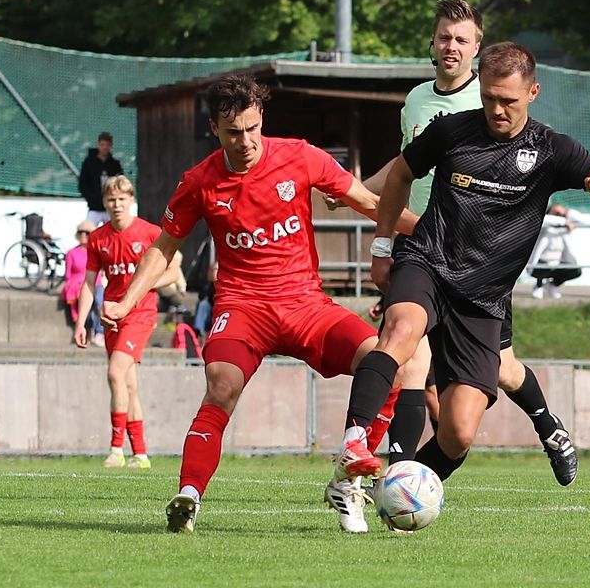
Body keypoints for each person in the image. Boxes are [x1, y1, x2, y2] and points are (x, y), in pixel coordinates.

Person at [330, 42, 590, 527]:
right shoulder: (452, 131)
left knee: (458, 434)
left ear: (533, 92)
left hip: (483, 299)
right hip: (428, 261)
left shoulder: (553, 150)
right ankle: (352, 446)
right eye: (490, 97)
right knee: (401, 332)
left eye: (508, 101)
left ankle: (399, 497)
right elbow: (402, 174)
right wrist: (383, 247)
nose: (496, 109)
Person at [101, 74, 418, 534]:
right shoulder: (199, 182)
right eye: (234, 132)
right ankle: (188, 496)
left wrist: (429, 232)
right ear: (215, 129)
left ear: (261, 118)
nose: (246, 140)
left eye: (252, 128)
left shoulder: (299, 156)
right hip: (243, 307)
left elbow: (369, 202)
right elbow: (163, 247)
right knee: (221, 385)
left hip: (305, 304)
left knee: (387, 362)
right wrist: (129, 298)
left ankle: (347, 477)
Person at [350, 0, 580, 490]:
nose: (451, 46)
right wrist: (360, 200)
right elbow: (404, 166)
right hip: (427, 248)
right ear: (431, 43)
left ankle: (548, 427)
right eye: (443, 37)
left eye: (461, 39)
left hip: (484, 271)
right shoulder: (418, 102)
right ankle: (374, 467)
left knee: (500, 373)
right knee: (408, 353)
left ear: (478, 49)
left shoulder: (493, 104)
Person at [74, 175, 181, 470]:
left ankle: (115, 449)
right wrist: (82, 322)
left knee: (114, 373)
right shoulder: (98, 238)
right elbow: (89, 282)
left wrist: (146, 286)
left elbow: (174, 270)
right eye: (111, 199)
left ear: (131, 200)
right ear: (105, 203)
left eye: (122, 199)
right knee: (127, 384)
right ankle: (141, 454)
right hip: (111, 316)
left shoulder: (148, 232)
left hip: (140, 313)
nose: (116, 204)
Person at [62, 221, 104, 347]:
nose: (84, 235)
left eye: (87, 233)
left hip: (96, 282)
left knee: (98, 302)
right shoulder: (71, 253)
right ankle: (88, 330)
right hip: (77, 283)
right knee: (86, 306)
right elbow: (67, 274)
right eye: (81, 232)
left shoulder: (97, 251)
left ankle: (99, 332)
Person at [528, 203, 582, 299]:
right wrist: (564, 221)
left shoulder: (564, 229)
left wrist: (567, 212)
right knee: (544, 266)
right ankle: (538, 286)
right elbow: (545, 219)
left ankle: (552, 285)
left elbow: (582, 219)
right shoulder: (544, 227)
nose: (558, 214)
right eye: (556, 213)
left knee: (575, 271)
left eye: (560, 213)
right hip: (540, 263)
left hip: (556, 262)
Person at [78, 132, 124, 226]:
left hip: (110, 208)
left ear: (110, 146)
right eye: (102, 145)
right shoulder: (89, 163)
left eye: (107, 145)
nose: (104, 147)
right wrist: (91, 199)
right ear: (98, 145)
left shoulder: (115, 165)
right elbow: (82, 184)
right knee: (89, 232)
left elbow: (120, 183)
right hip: (94, 208)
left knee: (113, 233)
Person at [193, 260, 218, 341]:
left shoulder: (223, 285)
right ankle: (199, 332)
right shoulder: (207, 285)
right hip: (209, 312)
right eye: (212, 270)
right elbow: (201, 297)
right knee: (203, 304)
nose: (213, 272)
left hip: (220, 311)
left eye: (216, 269)